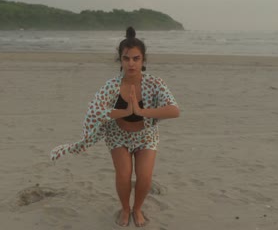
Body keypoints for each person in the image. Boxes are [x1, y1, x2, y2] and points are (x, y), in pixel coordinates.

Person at [50, 27, 180, 227]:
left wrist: (141, 111)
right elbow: (95, 110)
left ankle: (137, 208)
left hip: (146, 136)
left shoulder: (155, 83)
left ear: (143, 60)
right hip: (118, 135)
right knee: (124, 175)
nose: (131, 63)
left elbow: (173, 110)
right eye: (126, 58)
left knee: (145, 177)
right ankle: (125, 208)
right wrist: (126, 112)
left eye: (136, 59)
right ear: (120, 60)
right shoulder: (111, 86)